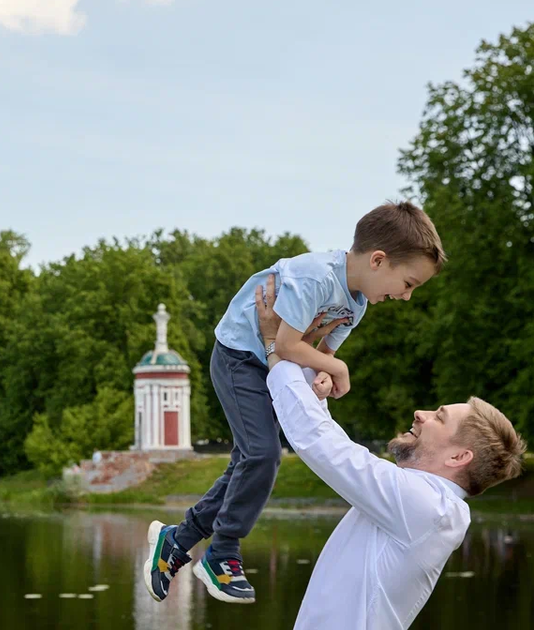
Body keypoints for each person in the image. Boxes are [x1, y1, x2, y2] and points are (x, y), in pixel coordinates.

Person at [252, 283, 526, 630]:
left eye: (438, 416)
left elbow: (323, 448)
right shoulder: (412, 503)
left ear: (458, 457)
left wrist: (278, 349)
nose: (421, 413)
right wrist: (309, 374)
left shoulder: (429, 507)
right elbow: (335, 446)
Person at [146, 201, 447, 604]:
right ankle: (222, 552)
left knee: (249, 462)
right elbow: (288, 345)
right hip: (238, 357)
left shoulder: (356, 303)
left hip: (270, 364)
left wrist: (324, 373)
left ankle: (177, 541)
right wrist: (337, 368)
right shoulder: (315, 277)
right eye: (408, 283)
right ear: (378, 260)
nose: (406, 296)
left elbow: (317, 352)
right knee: (262, 455)